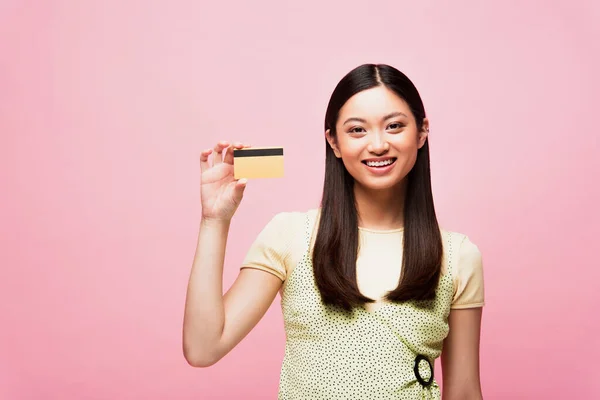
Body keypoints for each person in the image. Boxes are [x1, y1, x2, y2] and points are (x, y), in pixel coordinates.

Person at [182, 64, 485, 399]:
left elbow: (464, 392)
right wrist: (214, 219)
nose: (378, 144)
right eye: (357, 130)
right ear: (334, 142)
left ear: (422, 132)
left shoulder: (459, 256)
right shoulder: (290, 235)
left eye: (395, 126)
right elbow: (203, 348)